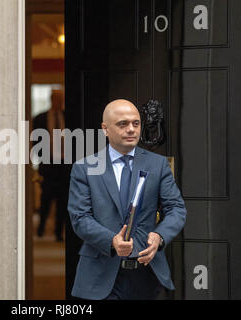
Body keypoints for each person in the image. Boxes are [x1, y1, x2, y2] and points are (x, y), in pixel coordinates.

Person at [67, 99, 187, 300]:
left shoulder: (158, 165)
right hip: (100, 276)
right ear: (105, 129)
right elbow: (80, 218)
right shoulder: (85, 168)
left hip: (147, 275)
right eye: (123, 124)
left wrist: (159, 236)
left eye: (136, 123)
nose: (131, 129)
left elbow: (176, 209)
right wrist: (111, 241)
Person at [33, 89, 69, 242]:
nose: (59, 102)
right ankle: (40, 229)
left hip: (64, 165)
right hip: (48, 164)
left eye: (61, 99)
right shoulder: (40, 118)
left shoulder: (68, 116)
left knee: (63, 201)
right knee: (46, 198)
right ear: (51, 99)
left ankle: (58, 232)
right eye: (56, 98)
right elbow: (35, 140)